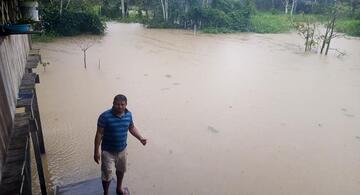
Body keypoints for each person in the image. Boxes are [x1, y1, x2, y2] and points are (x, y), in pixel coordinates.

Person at [94, 94, 147, 195]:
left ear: (126, 104)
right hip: (107, 151)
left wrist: (140, 138)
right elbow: (99, 134)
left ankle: (119, 188)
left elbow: (131, 128)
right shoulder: (104, 116)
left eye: (122, 104)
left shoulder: (129, 115)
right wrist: (96, 151)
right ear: (113, 104)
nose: (120, 107)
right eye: (117, 104)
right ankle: (106, 193)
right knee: (107, 174)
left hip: (122, 150)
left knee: (121, 171)